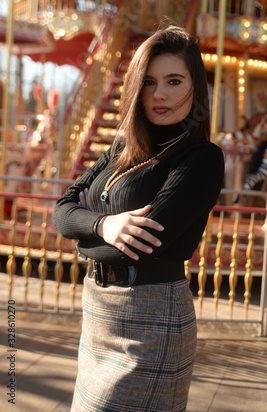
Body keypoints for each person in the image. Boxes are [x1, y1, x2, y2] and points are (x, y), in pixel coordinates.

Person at [53, 26, 224, 412]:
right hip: (98, 313)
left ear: (195, 86)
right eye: (148, 82)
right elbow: (60, 212)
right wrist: (105, 225)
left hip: (153, 318)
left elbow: (144, 246)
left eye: (173, 81)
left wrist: (84, 228)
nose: (159, 94)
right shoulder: (120, 148)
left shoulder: (200, 158)